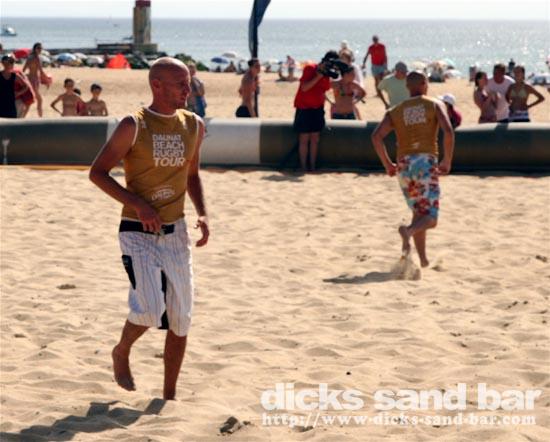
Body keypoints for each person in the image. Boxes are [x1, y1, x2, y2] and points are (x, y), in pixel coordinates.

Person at [89, 57, 209, 400]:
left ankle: (169, 396)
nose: (188, 90)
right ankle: (121, 350)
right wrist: (139, 204)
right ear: (157, 85)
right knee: (149, 309)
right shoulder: (134, 124)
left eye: (189, 83)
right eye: (181, 84)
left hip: (177, 232)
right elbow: (97, 173)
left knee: (181, 317)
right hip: (136, 231)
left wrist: (203, 214)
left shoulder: (194, 124)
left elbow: (192, 174)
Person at [371, 71, 454, 268]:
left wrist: (388, 164)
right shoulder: (434, 104)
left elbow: (376, 137)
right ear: (425, 84)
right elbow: (448, 131)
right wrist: (447, 160)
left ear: (407, 87)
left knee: (419, 213)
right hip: (425, 162)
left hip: (404, 165)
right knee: (431, 218)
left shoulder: (396, 109)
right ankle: (407, 231)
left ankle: (423, 260)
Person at [293, 50, 337, 171]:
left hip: (317, 109)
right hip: (304, 108)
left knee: (315, 139)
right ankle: (303, 167)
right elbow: (304, 88)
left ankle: (312, 166)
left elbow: (324, 90)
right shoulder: (310, 69)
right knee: (304, 139)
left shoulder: (327, 75)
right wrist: (318, 76)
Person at [22, 42, 45, 117]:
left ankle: (23, 116)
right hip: (34, 79)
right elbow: (41, 71)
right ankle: (40, 117)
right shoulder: (37, 58)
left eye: (40, 48)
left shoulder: (30, 57)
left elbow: (23, 70)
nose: (40, 50)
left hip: (30, 78)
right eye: (38, 48)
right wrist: (47, 79)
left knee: (31, 99)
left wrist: (24, 77)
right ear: (34, 49)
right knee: (37, 99)